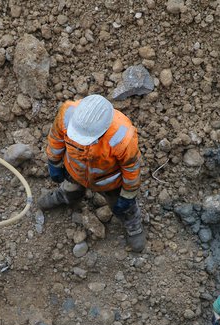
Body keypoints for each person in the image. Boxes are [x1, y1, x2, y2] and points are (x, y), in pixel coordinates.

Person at [38, 94, 146, 252]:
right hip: (74, 171)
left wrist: (128, 195)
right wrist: (54, 162)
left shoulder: (122, 136)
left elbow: (131, 169)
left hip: (109, 183)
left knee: (123, 207)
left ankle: (133, 224)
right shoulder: (67, 114)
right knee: (70, 189)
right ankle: (65, 196)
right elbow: (56, 139)